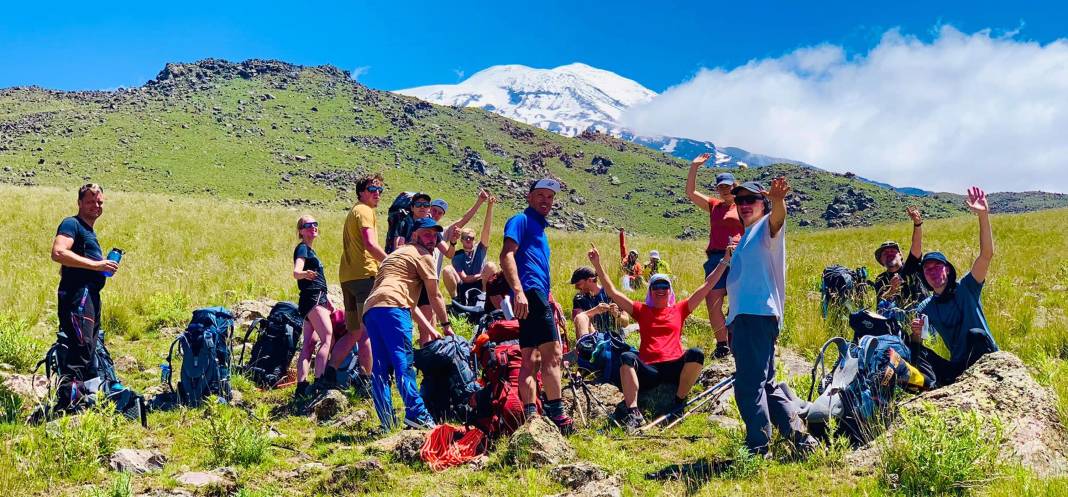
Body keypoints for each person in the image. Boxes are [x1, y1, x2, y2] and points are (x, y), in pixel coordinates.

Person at [587, 245, 725, 430]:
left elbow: (707, 286)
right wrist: (597, 264)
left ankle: (679, 402)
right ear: (650, 290)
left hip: (674, 366)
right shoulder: (642, 310)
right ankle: (633, 412)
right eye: (656, 286)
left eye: (664, 286)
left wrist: (724, 261)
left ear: (670, 290)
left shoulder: (680, 309)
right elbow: (612, 292)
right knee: (627, 358)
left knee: (696, 354)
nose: (661, 289)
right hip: (649, 369)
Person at [726, 178, 817, 456]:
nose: (743, 205)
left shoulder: (766, 227)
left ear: (762, 204)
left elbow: (778, 219)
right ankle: (799, 438)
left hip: (755, 318)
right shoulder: (748, 237)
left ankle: (758, 447)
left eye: (750, 200)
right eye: (739, 201)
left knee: (748, 386)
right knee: (766, 383)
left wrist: (778, 201)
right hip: (752, 319)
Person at [363, 217, 455, 430]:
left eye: (435, 235)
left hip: (372, 308)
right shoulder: (422, 255)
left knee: (380, 368)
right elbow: (435, 295)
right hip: (393, 308)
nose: (432, 239)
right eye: (426, 234)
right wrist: (446, 324)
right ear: (415, 235)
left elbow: (409, 304)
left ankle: (387, 423)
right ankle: (417, 415)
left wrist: (430, 329)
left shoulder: (398, 254)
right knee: (403, 363)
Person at [500, 178, 574, 434]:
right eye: (541, 195)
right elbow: (506, 254)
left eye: (550, 197)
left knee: (530, 358)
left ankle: (531, 416)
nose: (546, 200)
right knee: (553, 354)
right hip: (530, 293)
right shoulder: (520, 220)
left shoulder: (540, 228)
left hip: (537, 295)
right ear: (529, 197)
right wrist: (519, 290)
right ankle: (558, 415)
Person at [909, 187, 999, 386]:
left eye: (937, 267)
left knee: (976, 335)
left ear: (947, 270)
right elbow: (921, 342)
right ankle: (936, 386)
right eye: (927, 270)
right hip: (959, 366)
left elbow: (986, 255)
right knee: (913, 349)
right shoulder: (926, 307)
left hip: (986, 360)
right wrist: (915, 335)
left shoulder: (968, 287)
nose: (932, 272)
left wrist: (983, 215)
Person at [50, 184, 118, 408]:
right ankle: (66, 405)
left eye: (99, 202)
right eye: (90, 201)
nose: (96, 206)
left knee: (89, 349)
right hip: (77, 295)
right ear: (79, 203)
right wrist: (97, 265)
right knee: (81, 347)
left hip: (91, 296)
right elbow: (58, 252)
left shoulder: (89, 232)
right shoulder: (72, 224)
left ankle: (89, 402)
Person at [328, 174, 386, 389]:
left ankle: (330, 372)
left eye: (380, 190)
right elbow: (370, 244)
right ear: (361, 192)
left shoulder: (354, 210)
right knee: (367, 331)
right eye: (372, 189)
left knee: (353, 331)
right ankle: (366, 380)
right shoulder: (364, 210)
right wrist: (389, 262)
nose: (377, 193)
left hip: (348, 277)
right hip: (364, 276)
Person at [686, 153, 743, 359]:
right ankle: (722, 344)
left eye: (728, 186)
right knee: (713, 300)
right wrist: (694, 167)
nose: (725, 190)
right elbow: (691, 192)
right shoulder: (714, 206)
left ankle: (736, 338)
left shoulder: (744, 205)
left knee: (738, 301)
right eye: (721, 187)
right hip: (716, 258)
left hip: (740, 257)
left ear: (735, 185)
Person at [292, 215, 334, 399]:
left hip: (315, 298)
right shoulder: (302, 248)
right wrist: (303, 274)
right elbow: (296, 271)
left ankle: (301, 386)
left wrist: (327, 298)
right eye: (308, 225)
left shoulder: (310, 250)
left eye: (315, 224)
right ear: (301, 231)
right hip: (313, 298)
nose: (313, 227)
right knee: (327, 337)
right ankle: (319, 381)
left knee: (309, 343)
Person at [871, 206, 929, 311]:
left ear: (901, 256)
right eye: (885, 253)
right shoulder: (880, 280)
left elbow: (916, 245)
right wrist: (892, 290)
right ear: (881, 261)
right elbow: (880, 306)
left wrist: (917, 224)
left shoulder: (911, 267)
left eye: (893, 251)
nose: (889, 253)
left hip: (923, 316)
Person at [442, 195, 497, 304]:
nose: (468, 240)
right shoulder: (457, 255)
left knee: (491, 266)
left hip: (481, 284)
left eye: (471, 238)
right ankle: (456, 300)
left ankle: (484, 297)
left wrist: (490, 207)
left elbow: (486, 230)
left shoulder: (480, 249)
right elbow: (465, 278)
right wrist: (481, 275)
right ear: (461, 240)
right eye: (465, 238)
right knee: (447, 270)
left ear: (474, 239)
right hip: (464, 285)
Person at [570, 266, 629, 339]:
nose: (576, 288)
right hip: (594, 339)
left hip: (615, 339)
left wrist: (617, 315)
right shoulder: (578, 298)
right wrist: (595, 311)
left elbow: (626, 323)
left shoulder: (611, 293)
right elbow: (578, 320)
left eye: (578, 284)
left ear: (590, 280)